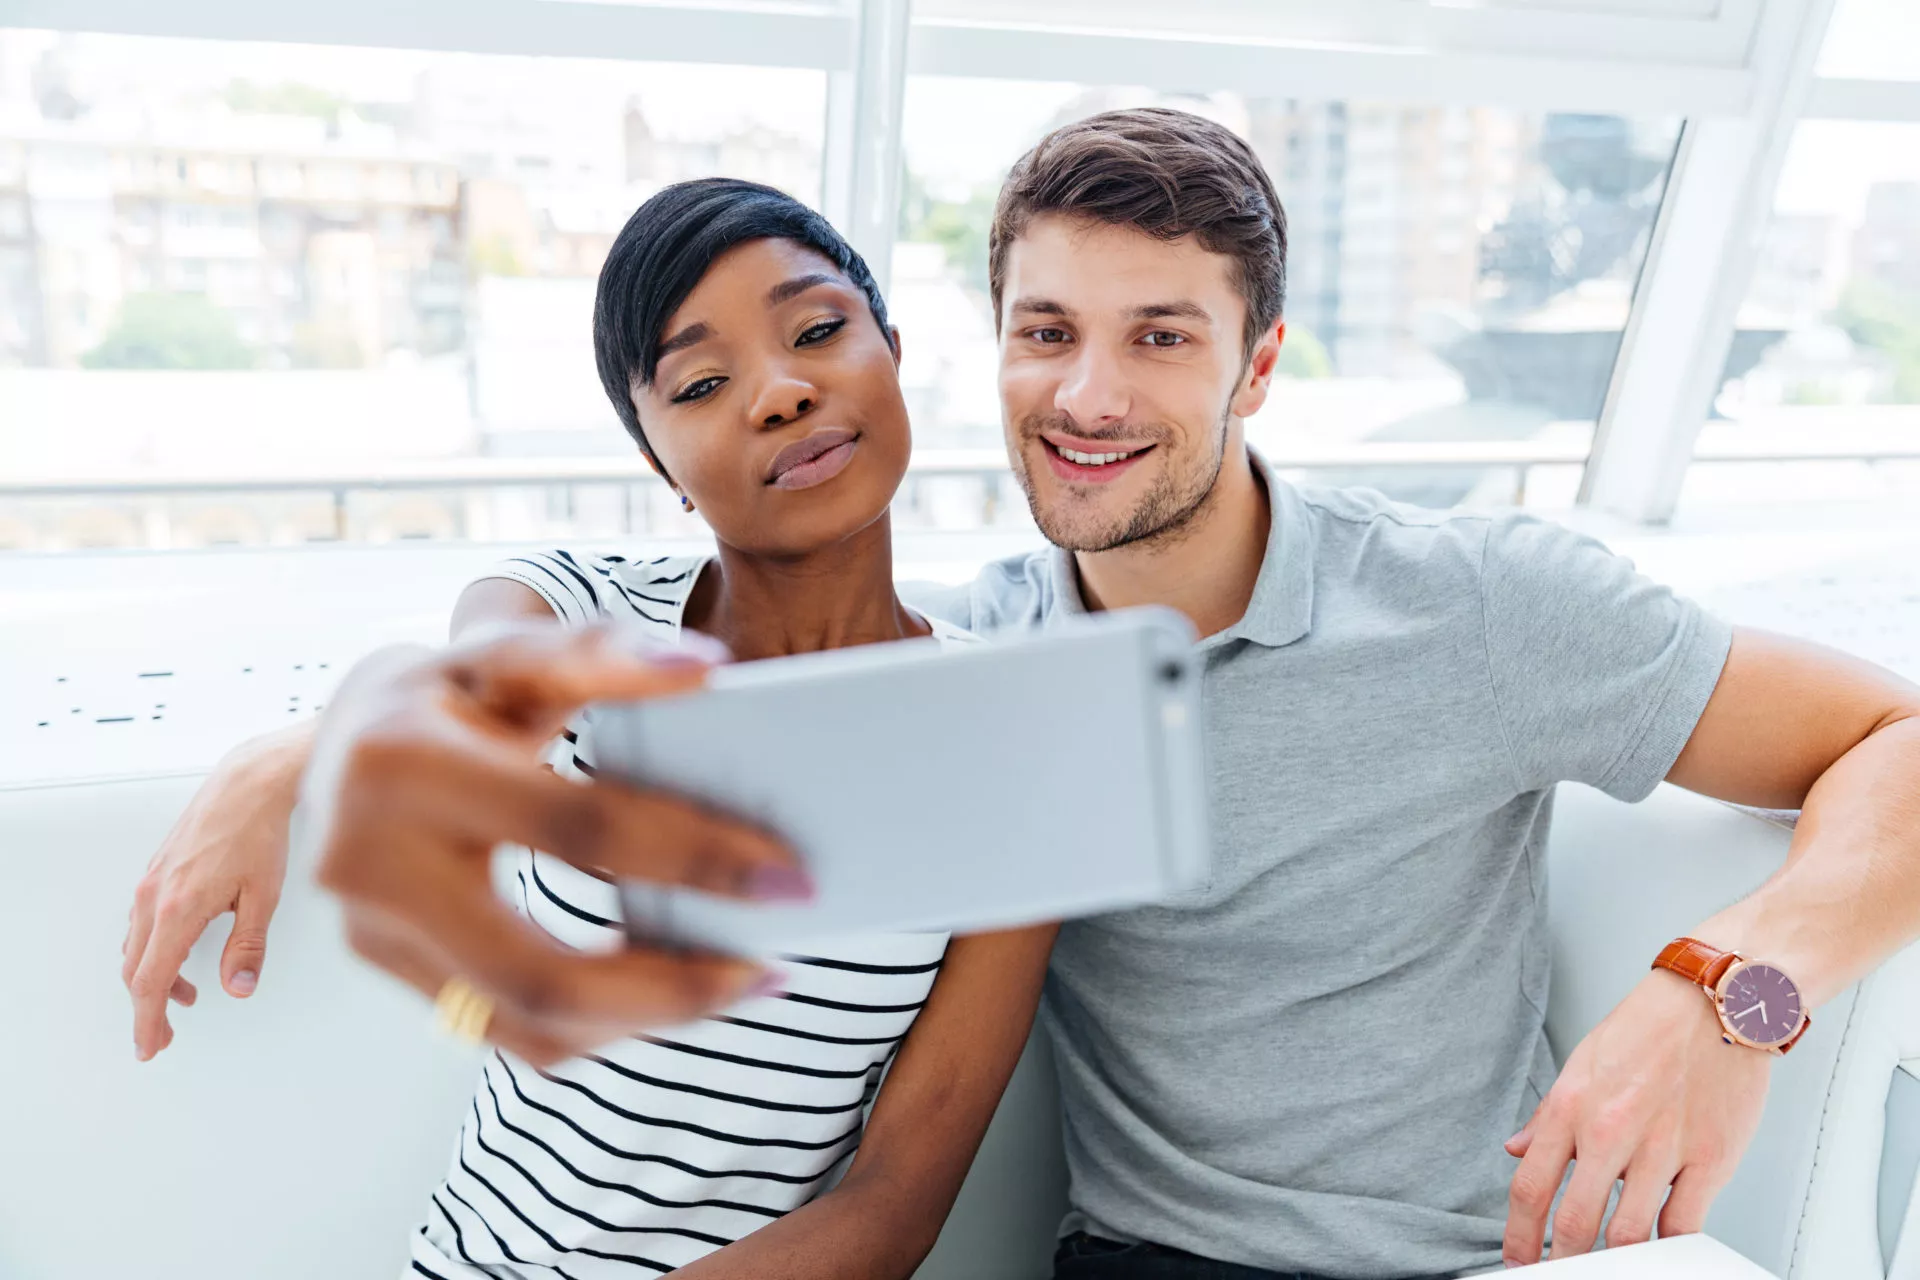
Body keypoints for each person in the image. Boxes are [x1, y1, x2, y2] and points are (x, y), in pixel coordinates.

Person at [125, 111, 1920, 1280]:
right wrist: (297, 744)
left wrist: (1731, 993)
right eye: (1049, 330)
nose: (1091, 393)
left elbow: (1898, 740)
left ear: (1261, 364)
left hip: (1473, 1258)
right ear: (986, 352)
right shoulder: (990, 681)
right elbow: (496, 687)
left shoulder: (1482, 605)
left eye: (1163, 336)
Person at [163, 178, 1060, 1279]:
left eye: (819, 330)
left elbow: (894, 1201)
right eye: (702, 382)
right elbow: (459, 685)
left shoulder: (1010, 753)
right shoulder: (582, 608)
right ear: (658, 463)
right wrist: (312, 743)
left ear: (894, 348)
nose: (779, 391)